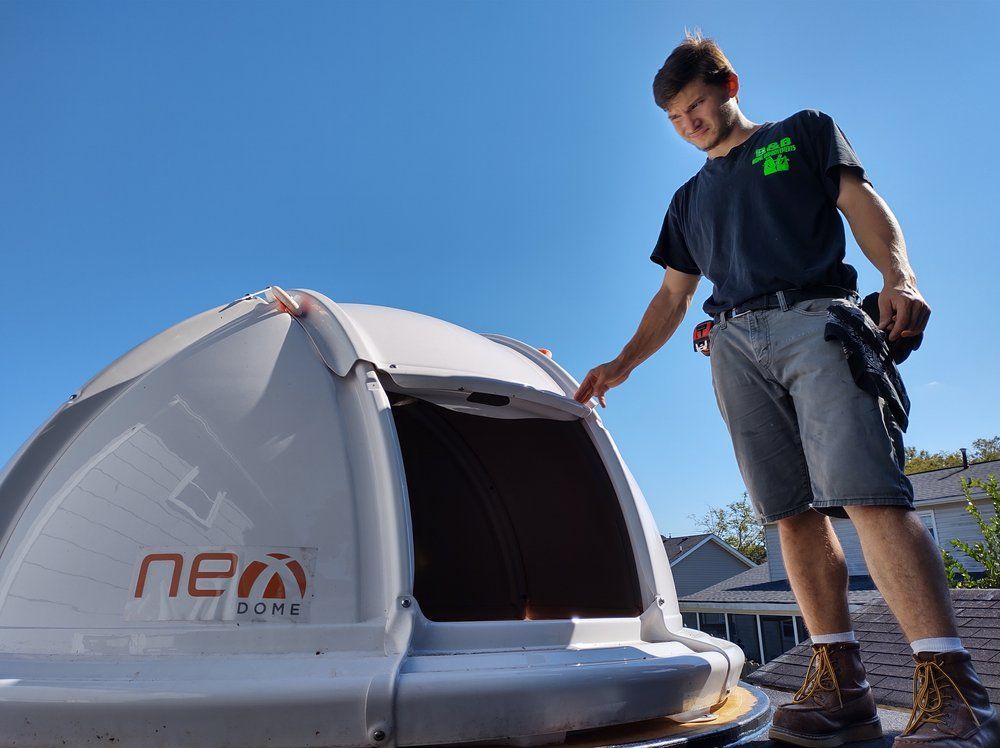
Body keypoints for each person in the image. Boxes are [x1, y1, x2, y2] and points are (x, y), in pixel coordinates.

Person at [573, 33, 999, 748]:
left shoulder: (801, 133)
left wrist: (900, 277)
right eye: (676, 118)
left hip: (816, 322)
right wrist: (622, 363)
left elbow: (862, 204)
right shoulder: (687, 202)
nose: (690, 124)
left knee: (868, 494)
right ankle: (843, 685)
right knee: (790, 514)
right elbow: (674, 297)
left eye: (698, 105)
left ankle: (955, 688)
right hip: (734, 344)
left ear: (729, 84)